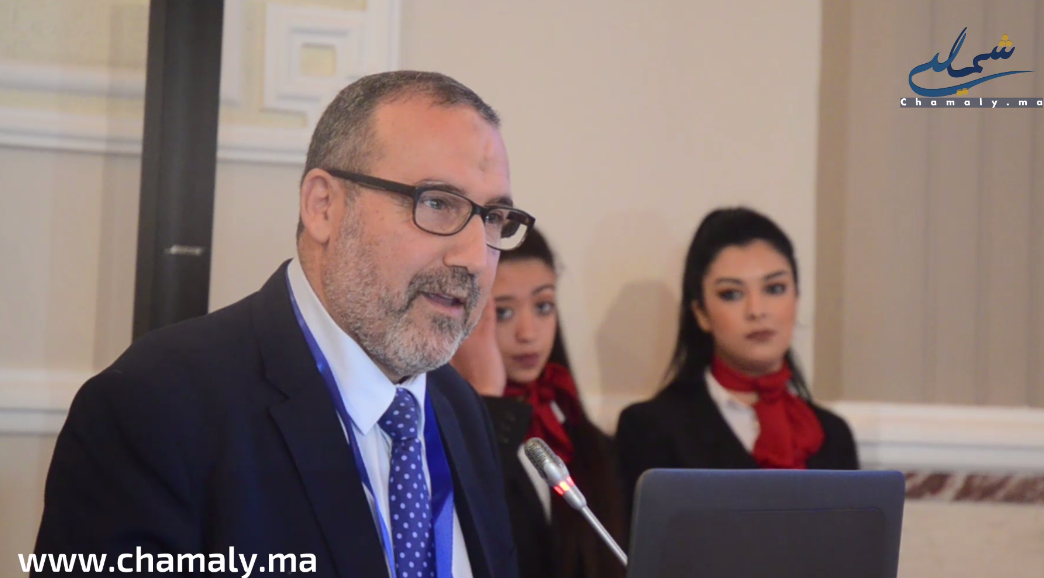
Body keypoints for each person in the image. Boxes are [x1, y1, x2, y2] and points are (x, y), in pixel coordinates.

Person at [33, 71, 537, 578]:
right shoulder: (155, 408)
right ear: (324, 207)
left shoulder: (458, 409)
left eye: (495, 218)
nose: (475, 257)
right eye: (437, 203)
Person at [616, 207, 858, 515]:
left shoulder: (833, 434)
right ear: (701, 313)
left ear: (796, 297)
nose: (757, 310)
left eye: (775, 289)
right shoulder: (650, 429)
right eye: (731, 294)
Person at [450, 229, 626, 578]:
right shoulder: (439, 431)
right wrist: (487, 397)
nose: (528, 333)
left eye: (543, 306)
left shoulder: (578, 432)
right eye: (503, 312)